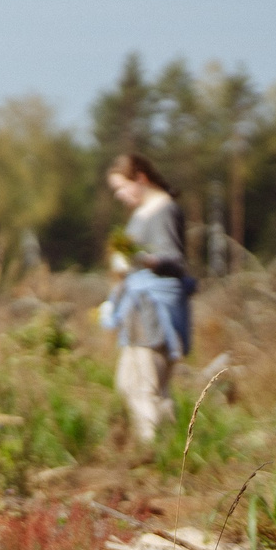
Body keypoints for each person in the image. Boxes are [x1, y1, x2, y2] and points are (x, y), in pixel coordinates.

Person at [98, 154, 191, 448]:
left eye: (121, 187)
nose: (119, 195)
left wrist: (139, 259)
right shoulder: (141, 212)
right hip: (137, 308)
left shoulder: (164, 209)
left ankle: (155, 450)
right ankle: (166, 447)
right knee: (129, 382)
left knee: (145, 383)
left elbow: (173, 259)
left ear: (140, 178)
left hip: (152, 309)